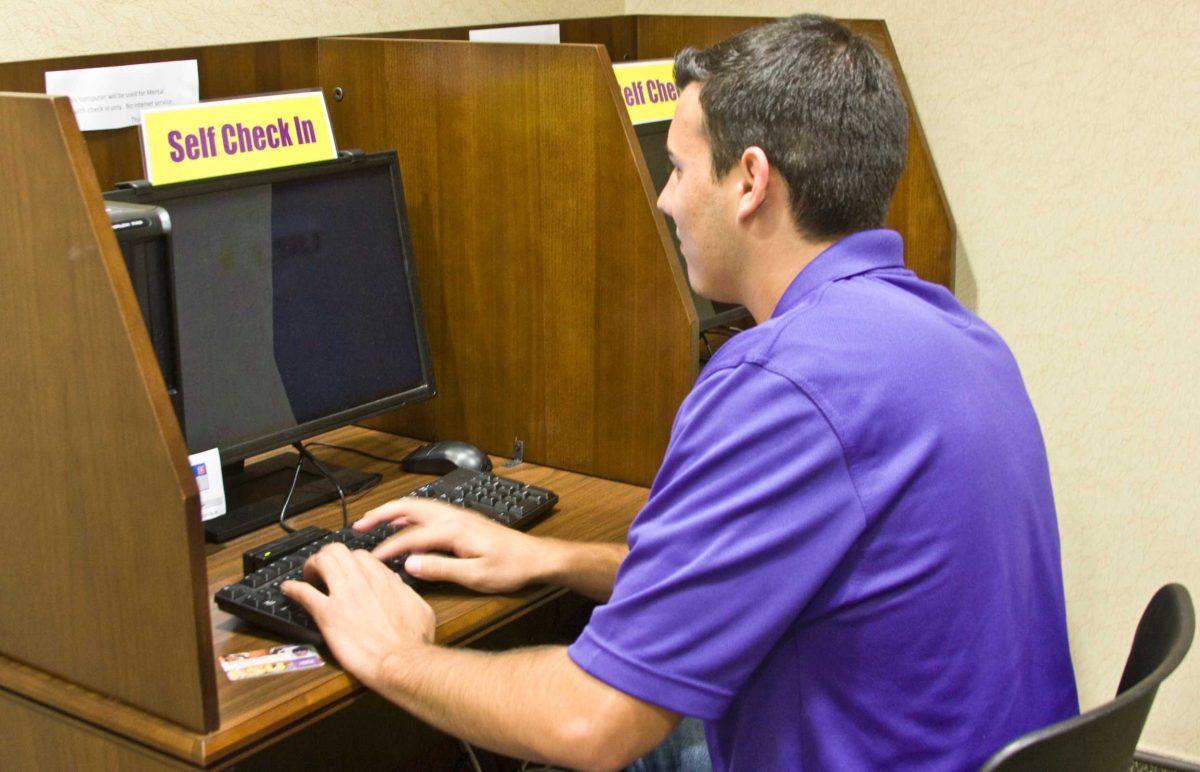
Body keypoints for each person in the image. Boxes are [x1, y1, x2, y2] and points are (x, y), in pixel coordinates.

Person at [283, 14, 1079, 770]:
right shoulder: (955, 337)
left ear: (751, 181)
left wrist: (395, 652)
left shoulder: (782, 385)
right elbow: (754, 574)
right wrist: (547, 557)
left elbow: (592, 721)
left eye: (678, 165)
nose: (664, 199)